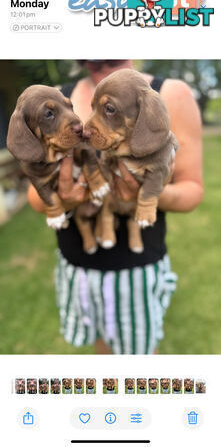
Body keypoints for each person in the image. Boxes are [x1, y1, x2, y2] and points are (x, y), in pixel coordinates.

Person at [28, 60, 203, 355]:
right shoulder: (55, 98)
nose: (86, 126)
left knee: (140, 356)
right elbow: (36, 195)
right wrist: (66, 198)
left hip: (137, 266)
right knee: (103, 349)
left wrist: (148, 195)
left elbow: (193, 189)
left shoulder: (171, 94)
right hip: (77, 263)